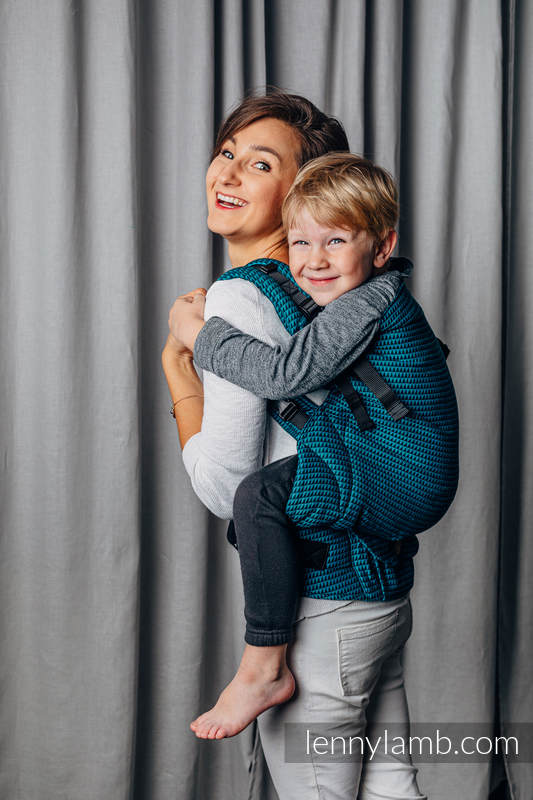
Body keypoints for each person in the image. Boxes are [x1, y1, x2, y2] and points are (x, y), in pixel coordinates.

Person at [162, 90, 428, 799]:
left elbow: (228, 489)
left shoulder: (241, 299)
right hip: (378, 597)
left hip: (320, 606)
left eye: (259, 164)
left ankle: (262, 666)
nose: (226, 174)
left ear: (302, 192)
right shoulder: (329, 290)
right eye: (227, 153)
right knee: (392, 789)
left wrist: (178, 371)